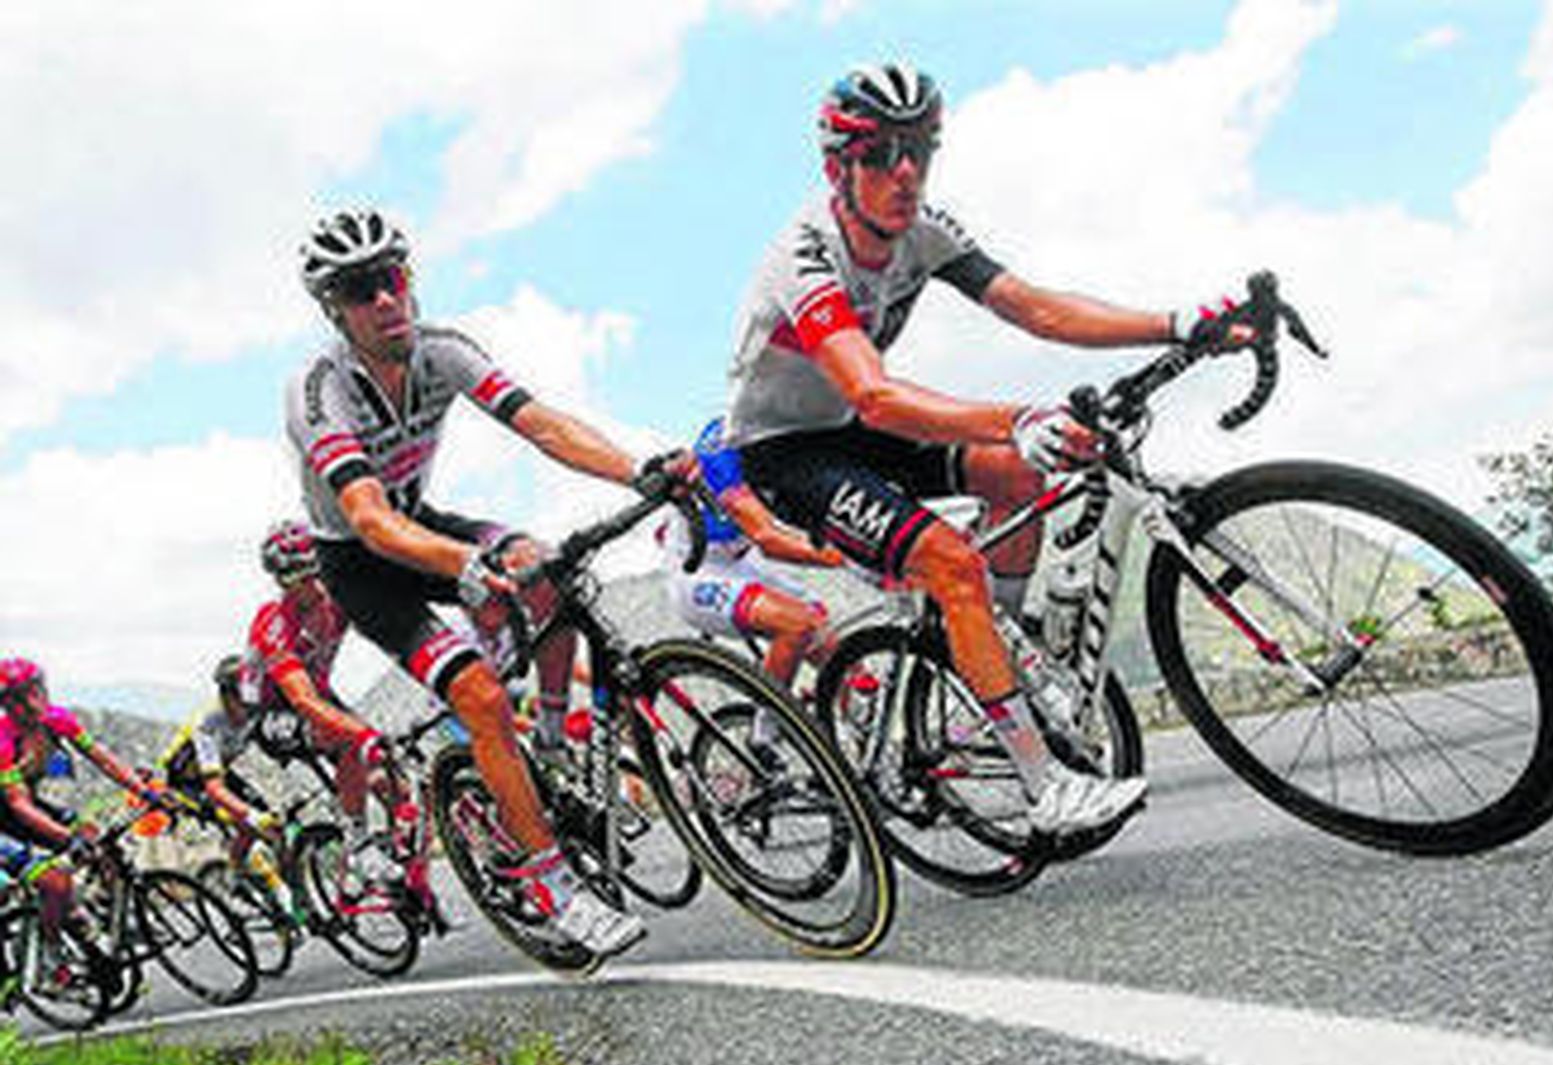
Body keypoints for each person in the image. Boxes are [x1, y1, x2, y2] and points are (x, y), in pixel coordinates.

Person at [721, 61, 1253, 833]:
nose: (905, 173)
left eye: (920, 150)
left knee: (1018, 478)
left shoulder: (925, 230)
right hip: (786, 452)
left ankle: (987, 668)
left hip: (854, 427)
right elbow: (875, 392)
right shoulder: (802, 256)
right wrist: (1018, 416)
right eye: (879, 154)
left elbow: (1036, 309)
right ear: (838, 166)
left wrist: (1181, 322)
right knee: (950, 561)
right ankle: (1046, 789)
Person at [284, 207, 645, 965]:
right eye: (359, 289)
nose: (384, 299)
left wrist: (640, 469)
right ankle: (552, 883)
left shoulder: (441, 349)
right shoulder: (322, 390)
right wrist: (465, 569)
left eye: (391, 279)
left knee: (546, 569)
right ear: (334, 310)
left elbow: (543, 425)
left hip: (425, 521)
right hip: (363, 559)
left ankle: (546, 750)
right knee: (478, 694)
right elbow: (371, 519)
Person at [659, 417, 843, 760]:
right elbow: (769, 539)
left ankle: (849, 753)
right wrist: (844, 557)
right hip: (697, 573)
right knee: (796, 623)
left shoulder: (787, 432)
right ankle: (764, 736)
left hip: (740, 562)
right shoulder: (725, 450)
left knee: (838, 655)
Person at [241, 520, 398, 898]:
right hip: (272, 714)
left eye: (315, 572)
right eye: (297, 577)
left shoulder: (334, 600)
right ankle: (360, 845)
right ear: (280, 580)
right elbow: (303, 701)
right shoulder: (274, 623)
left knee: (391, 778)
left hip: (321, 694)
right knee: (346, 741)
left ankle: (400, 863)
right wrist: (362, 735)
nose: (310, 584)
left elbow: (387, 629)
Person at [0, 658, 165, 969]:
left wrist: (143, 790)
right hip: (8, 815)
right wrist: (67, 838)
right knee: (56, 882)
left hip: (28, 807)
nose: (36, 700)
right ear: (8, 704)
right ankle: (50, 956)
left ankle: (109, 914)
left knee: (100, 840)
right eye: (25, 695)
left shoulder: (56, 719)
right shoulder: (4, 741)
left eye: (38, 689)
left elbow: (102, 759)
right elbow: (18, 805)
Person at [159, 654, 290, 905]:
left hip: (219, 771)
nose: (249, 704)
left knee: (270, 819)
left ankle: (241, 871)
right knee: (248, 821)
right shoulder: (208, 724)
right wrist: (249, 816)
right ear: (226, 695)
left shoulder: (253, 711)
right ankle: (235, 880)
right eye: (242, 696)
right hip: (188, 784)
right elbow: (214, 788)